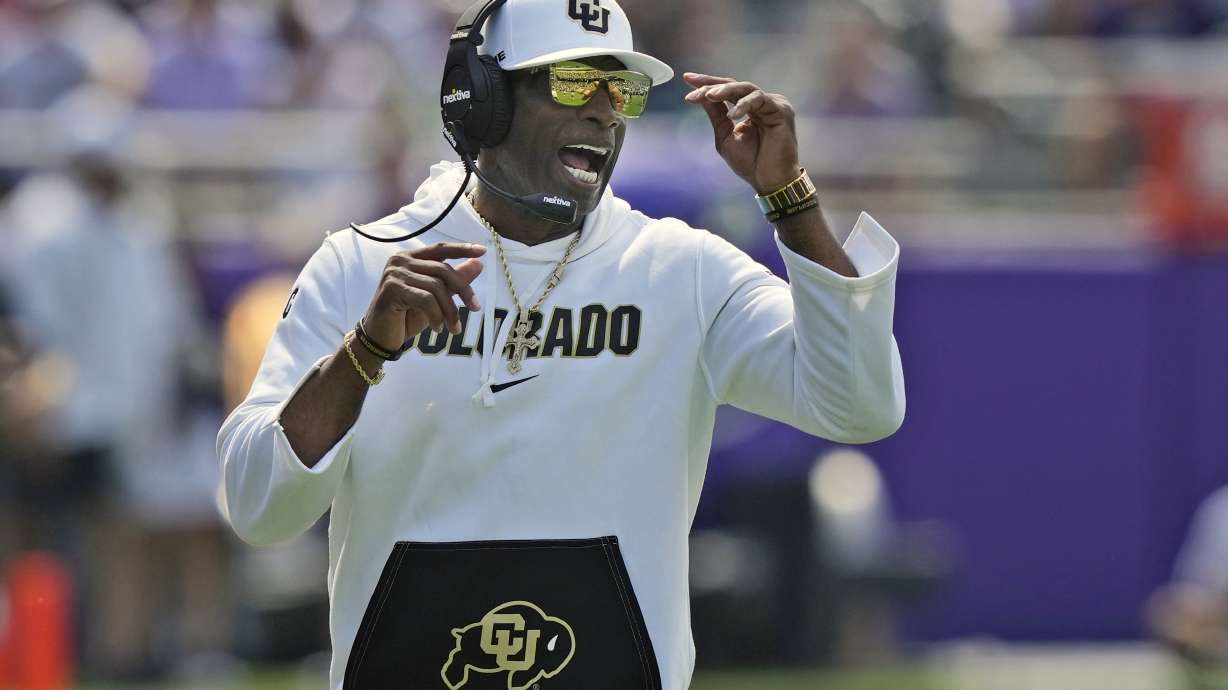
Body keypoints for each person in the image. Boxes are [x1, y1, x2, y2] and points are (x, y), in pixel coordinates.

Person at [217, 1, 906, 688]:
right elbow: (258, 507)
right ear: (483, 101)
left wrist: (789, 197)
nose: (606, 112)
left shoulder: (681, 269)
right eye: (576, 82)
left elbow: (859, 405)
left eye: (623, 90)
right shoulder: (359, 265)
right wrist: (362, 352)